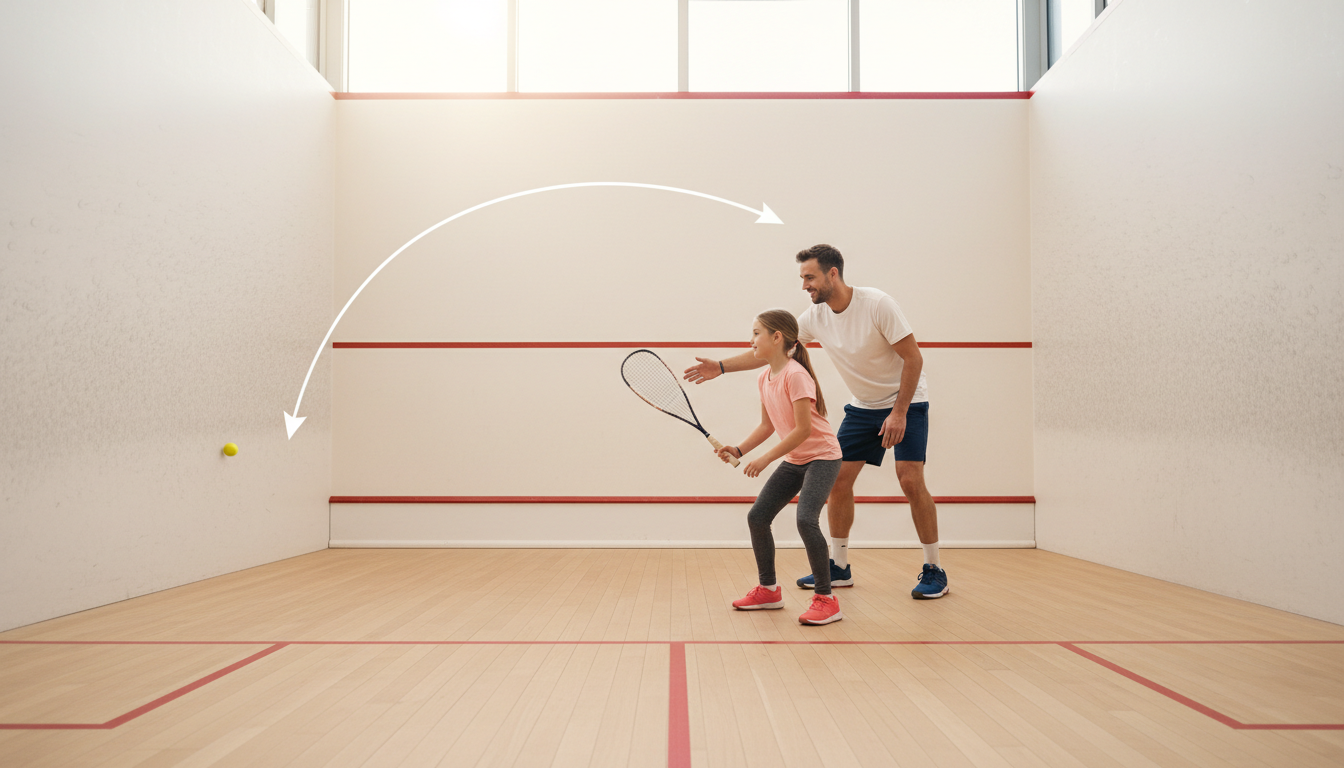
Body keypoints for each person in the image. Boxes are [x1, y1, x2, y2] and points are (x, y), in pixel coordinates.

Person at [686, 244, 949, 599]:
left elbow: (913, 360)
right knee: (839, 480)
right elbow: (767, 353)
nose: (805, 286)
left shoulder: (878, 304)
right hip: (862, 407)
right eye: (802, 279)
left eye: (810, 277)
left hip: (907, 400)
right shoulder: (813, 317)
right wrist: (719, 367)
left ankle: (934, 568)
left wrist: (899, 412)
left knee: (910, 480)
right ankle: (839, 567)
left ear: (833, 274)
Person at [719, 309, 845, 626]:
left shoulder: (796, 374)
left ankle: (827, 599)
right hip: (796, 459)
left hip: (823, 456)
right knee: (758, 517)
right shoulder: (765, 376)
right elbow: (767, 425)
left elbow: (802, 430)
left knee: (806, 519)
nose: (751, 340)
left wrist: (764, 459)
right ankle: (768, 590)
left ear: (777, 338)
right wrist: (739, 449)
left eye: (757, 333)